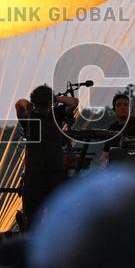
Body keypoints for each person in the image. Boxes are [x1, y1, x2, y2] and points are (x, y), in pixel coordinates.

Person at [15, 85, 78, 227]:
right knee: (40, 218)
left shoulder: (32, 117)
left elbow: (20, 104)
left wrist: (48, 99)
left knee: (39, 219)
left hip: (41, 176)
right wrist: (52, 98)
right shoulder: (36, 116)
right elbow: (73, 102)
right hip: (44, 175)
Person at [101, 92, 135, 164]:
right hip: (115, 168)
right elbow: (105, 154)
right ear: (114, 109)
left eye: (126, 105)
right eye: (119, 105)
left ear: (129, 108)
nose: (123, 107)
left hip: (134, 166)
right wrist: (104, 169)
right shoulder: (112, 128)